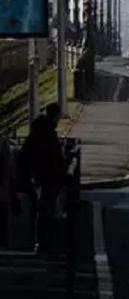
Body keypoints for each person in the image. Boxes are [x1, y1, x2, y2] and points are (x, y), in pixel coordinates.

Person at [20, 103, 66, 254]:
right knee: (46, 211)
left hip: (41, 176)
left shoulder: (39, 130)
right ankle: (44, 243)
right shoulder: (47, 133)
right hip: (47, 177)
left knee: (44, 210)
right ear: (55, 116)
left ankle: (42, 242)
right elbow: (52, 156)